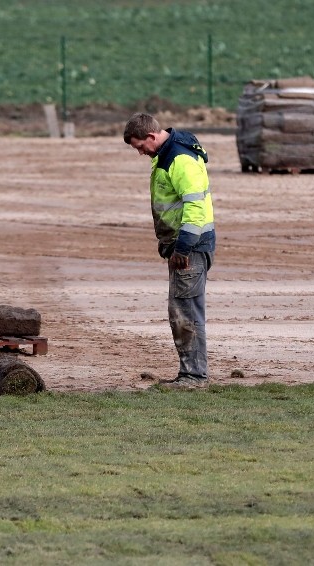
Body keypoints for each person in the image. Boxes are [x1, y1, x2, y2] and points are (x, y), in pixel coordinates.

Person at [123, 113, 215, 389]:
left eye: (140, 146)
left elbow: (195, 209)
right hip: (183, 246)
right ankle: (191, 373)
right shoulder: (167, 154)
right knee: (183, 309)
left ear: (152, 136)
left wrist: (183, 248)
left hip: (191, 247)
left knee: (185, 312)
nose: (140, 153)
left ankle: (193, 377)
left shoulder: (179, 159)